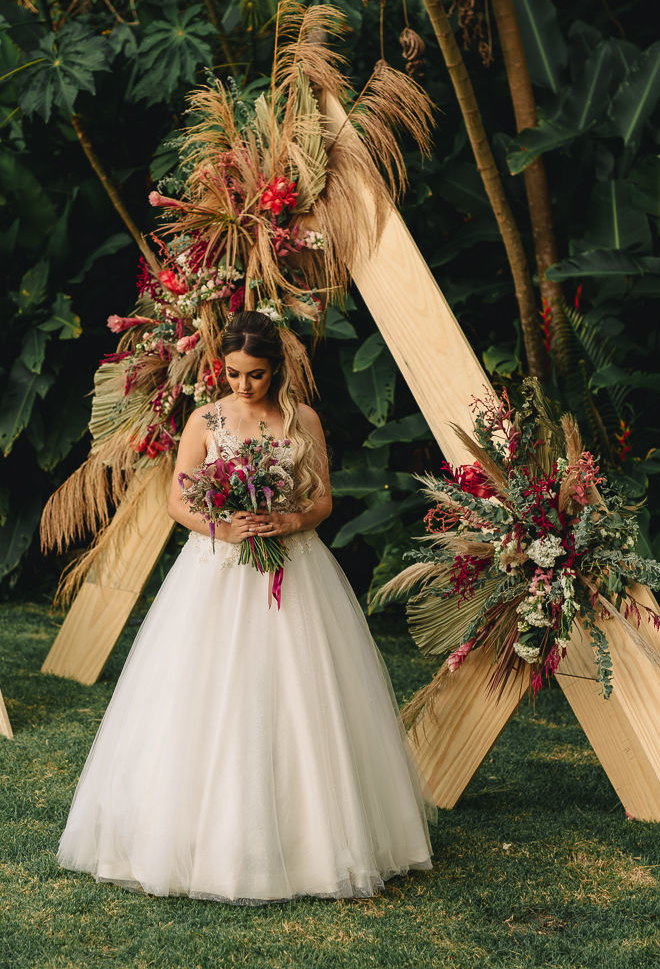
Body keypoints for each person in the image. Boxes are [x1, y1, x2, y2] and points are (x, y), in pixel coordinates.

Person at [56, 309, 435, 904]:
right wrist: (222, 526)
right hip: (219, 569)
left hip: (294, 568)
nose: (242, 385)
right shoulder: (206, 420)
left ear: (276, 370)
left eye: (254, 375)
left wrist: (291, 518)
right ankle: (196, 837)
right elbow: (178, 501)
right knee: (213, 693)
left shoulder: (301, 419)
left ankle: (314, 841)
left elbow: (323, 499)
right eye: (233, 373)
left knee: (302, 697)